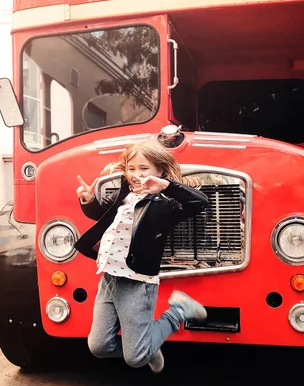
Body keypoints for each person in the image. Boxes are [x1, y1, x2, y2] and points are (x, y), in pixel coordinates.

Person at [75, 139, 208, 373]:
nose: (136, 175)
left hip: (137, 283)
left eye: (144, 169)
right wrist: (88, 201)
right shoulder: (122, 196)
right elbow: (102, 216)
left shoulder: (165, 205)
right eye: (131, 168)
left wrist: (165, 186)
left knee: (135, 359)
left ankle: (178, 311)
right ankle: (147, 344)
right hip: (109, 279)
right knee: (99, 346)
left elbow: (200, 202)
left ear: (159, 170)